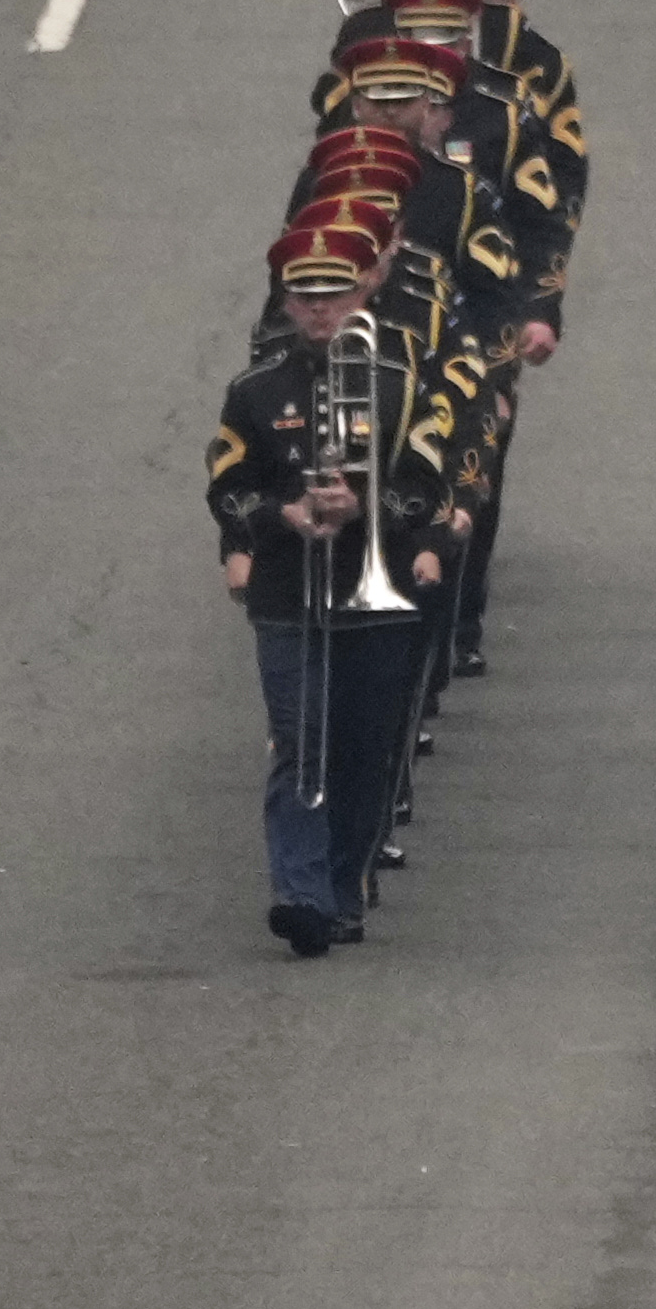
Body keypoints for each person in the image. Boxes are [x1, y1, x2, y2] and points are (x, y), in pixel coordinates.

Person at [206, 203, 466, 951]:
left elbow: (431, 480)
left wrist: (364, 504)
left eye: (335, 291)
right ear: (286, 301)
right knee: (299, 740)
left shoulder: (403, 381)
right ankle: (301, 892)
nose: (321, 308)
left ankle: (344, 882)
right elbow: (227, 485)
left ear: (364, 292)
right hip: (290, 592)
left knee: (364, 749)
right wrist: (285, 514)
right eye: (306, 293)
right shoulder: (253, 392)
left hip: (377, 594)